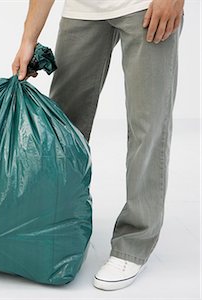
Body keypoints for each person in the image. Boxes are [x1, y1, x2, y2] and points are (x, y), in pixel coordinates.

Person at [12, 0, 184, 291]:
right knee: (62, 125)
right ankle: (56, 225)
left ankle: (133, 244)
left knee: (147, 125)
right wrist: (29, 38)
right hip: (83, 8)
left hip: (146, 6)